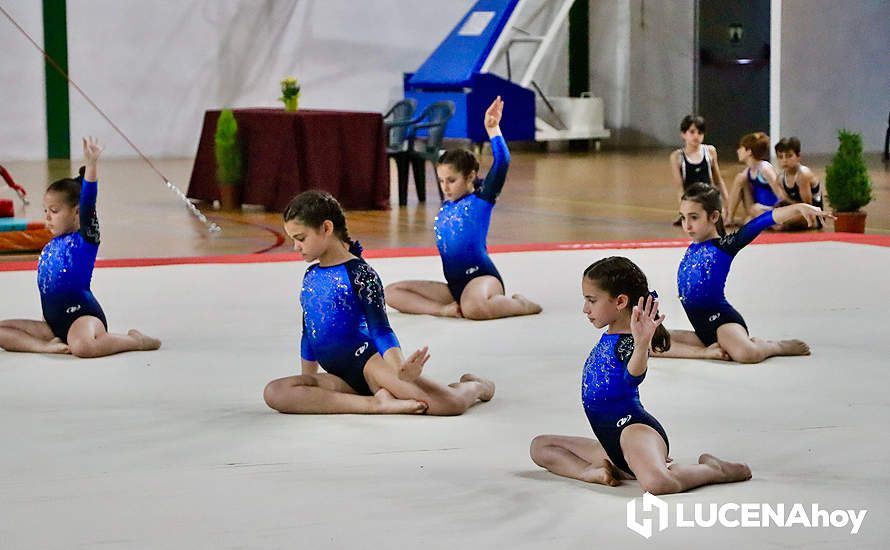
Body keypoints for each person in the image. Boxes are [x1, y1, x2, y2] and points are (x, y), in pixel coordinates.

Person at [529, 257, 752, 494]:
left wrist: (641, 344)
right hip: (611, 445)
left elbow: (632, 377)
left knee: (657, 483)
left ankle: (713, 470)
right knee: (540, 447)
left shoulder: (631, 343)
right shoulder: (614, 337)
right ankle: (589, 472)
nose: (586, 309)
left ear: (620, 301)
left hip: (634, 431)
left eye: (591, 300)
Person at [263, 190, 495, 415]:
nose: (296, 247)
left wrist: (399, 368)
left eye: (301, 238)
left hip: (371, 366)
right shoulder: (311, 275)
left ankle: (475, 386)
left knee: (449, 404)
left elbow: (381, 329)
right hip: (338, 377)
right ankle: (376, 404)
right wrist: (308, 382)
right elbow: (308, 332)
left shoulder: (360, 273)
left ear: (326, 228)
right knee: (275, 392)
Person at [0, 137, 161, 357]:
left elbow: (88, 203)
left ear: (76, 213)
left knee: (82, 347)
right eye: (45, 210)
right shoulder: (50, 244)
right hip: (52, 325)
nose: (47, 217)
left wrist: (91, 166)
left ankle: (134, 340)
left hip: (83, 318)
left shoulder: (85, 239)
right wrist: (45, 342)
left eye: (54, 211)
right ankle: (43, 346)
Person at [384, 96, 541, 320]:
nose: (445, 187)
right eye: (441, 181)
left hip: (483, 280)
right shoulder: (448, 205)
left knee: (474, 308)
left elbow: (503, 162)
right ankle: (444, 310)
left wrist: (493, 128)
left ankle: (521, 305)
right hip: (454, 287)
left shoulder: (482, 198)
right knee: (392, 292)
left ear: (470, 177)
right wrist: (442, 308)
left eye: (451, 180)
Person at [656, 182, 833, 363]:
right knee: (649, 342)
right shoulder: (693, 248)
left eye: (694, 217)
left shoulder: (725, 246)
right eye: (683, 218)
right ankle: (706, 350)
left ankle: (772, 346)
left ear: (714, 216)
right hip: (702, 332)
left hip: (723, 323)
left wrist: (798, 208)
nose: (687, 225)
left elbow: (763, 221)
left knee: (745, 354)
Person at [669, 115, 729, 225]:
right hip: (691, 202)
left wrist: (727, 206)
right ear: (683, 134)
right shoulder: (677, 157)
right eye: (692, 132)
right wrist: (684, 211)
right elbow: (680, 188)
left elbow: (718, 181)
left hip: (709, 200)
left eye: (700, 133)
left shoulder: (710, 151)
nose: (696, 136)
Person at [726, 132, 789, 225]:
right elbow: (738, 187)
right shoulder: (748, 171)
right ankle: (729, 218)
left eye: (741, 148)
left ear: (749, 151)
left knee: (753, 213)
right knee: (740, 178)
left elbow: (781, 197)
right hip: (754, 209)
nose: (738, 151)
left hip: (770, 210)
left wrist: (772, 211)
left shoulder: (765, 169)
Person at [774, 137, 824, 230]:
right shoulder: (780, 178)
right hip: (794, 212)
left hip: (812, 217)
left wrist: (786, 201)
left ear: (798, 156)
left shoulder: (803, 175)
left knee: (779, 220)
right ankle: (778, 224)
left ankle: (778, 224)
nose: (784, 160)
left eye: (789, 156)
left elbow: (808, 207)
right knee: (756, 209)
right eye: (780, 157)